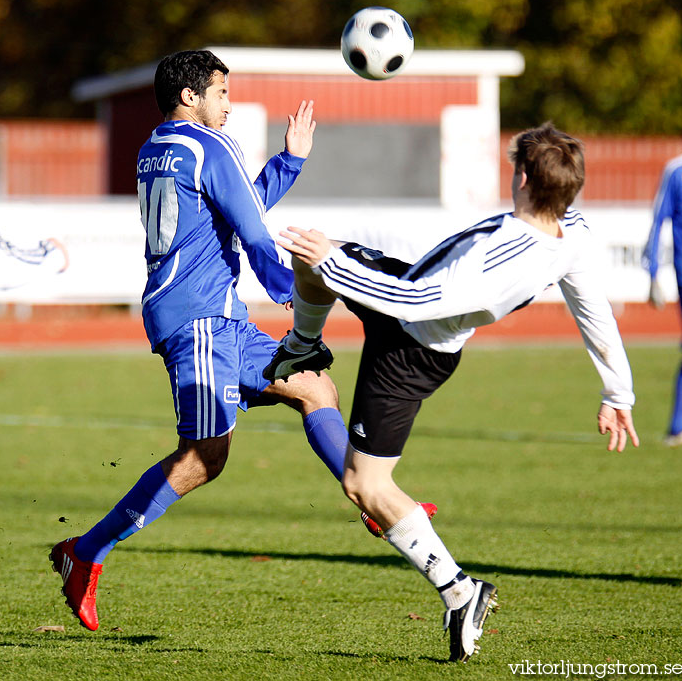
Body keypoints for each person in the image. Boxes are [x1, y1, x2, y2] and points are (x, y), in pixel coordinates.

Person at [263, 122, 640, 663]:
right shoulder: (570, 229)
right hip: (411, 309)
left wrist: (333, 261)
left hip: (410, 352)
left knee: (364, 484)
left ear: (524, 178)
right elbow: (592, 306)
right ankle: (302, 345)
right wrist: (618, 393)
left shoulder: (498, 259)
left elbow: (412, 301)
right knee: (310, 259)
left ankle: (459, 590)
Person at [49, 49, 352, 631]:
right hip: (201, 322)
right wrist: (289, 287)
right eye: (221, 93)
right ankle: (85, 553)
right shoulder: (209, 146)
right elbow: (254, 228)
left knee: (316, 386)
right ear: (190, 96)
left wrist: (289, 162)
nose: (227, 104)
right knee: (204, 457)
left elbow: (235, 205)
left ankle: (370, 495)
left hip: (216, 319)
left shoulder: (156, 148)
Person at [643, 151, 682, 446]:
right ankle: (677, 428)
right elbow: (658, 218)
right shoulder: (678, 169)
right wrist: (652, 273)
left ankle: (677, 428)